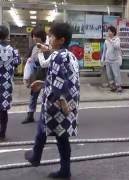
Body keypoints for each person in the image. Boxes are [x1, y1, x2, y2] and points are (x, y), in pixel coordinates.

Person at [24, 22, 80, 179]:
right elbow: (66, 79)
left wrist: (62, 102)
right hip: (70, 101)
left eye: (51, 36)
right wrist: (43, 84)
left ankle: (36, 156)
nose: (48, 38)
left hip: (57, 102)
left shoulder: (57, 57)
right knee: (61, 136)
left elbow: (58, 81)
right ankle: (64, 170)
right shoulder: (70, 55)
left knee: (44, 127)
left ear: (61, 40)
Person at [22, 26, 50, 124]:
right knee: (33, 95)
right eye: (33, 36)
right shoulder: (33, 47)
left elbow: (49, 62)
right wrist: (29, 61)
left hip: (45, 75)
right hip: (35, 75)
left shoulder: (47, 47)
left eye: (36, 36)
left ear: (41, 36)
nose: (34, 38)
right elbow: (26, 58)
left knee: (45, 96)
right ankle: (30, 115)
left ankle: (45, 116)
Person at [0, 25, 20, 141]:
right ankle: (2, 133)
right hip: (6, 84)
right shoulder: (14, 51)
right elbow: (17, 63)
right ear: (7, 35)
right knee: (3, 109)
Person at [101, 26, 123, 93]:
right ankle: (112, 86)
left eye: (110, 31)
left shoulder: (117, 39)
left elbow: (117, 47)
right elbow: (104, 50)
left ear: (113, 32)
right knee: (109, 74)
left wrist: (110, 40)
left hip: (115, 60)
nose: (109, 32)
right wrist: (102, 59)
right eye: (108, 31)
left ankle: (118, 86)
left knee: (116, 74)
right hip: (108, 60)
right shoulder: (106, 41)